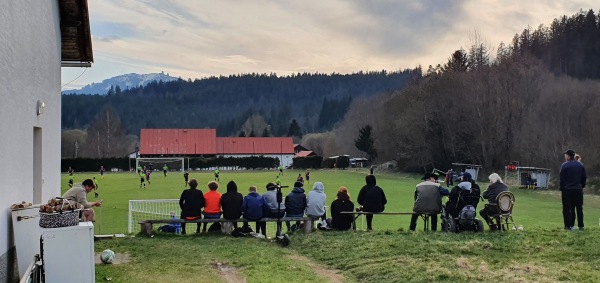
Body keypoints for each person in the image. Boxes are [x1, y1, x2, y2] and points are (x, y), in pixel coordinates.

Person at [560, 149, 586, 231]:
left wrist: (562, 188)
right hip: (578, 189)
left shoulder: (564, 165)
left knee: (567, 208)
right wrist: (581, 186)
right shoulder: (580, 165)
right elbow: (584, 177)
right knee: (579, 208)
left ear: (568, 156)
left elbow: (562, 178)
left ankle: (569, 225)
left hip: (567, 190)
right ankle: (581, 225)